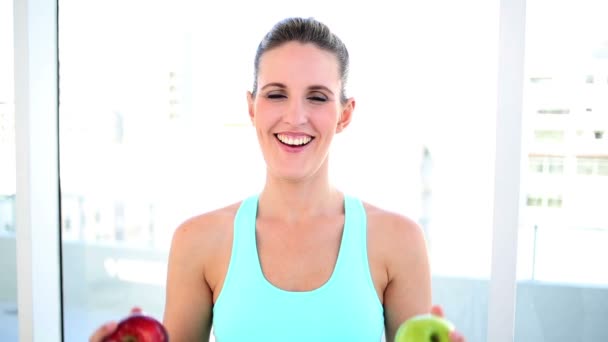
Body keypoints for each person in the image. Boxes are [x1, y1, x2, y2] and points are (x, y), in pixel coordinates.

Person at [90, 17, 466, 342]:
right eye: (276, 94)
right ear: (252, 108)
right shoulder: (197, 241)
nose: (295, 116)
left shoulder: (398, 242)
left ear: (345, 115)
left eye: (317, 97)